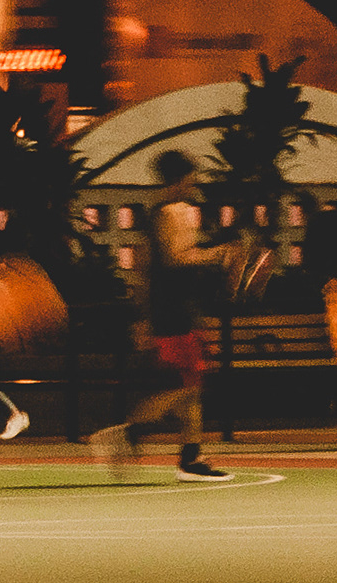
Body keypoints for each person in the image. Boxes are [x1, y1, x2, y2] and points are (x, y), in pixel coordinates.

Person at [97, 151, 234, 479]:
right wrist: (220, 254)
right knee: (187, 386)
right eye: (191, 176)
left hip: (172, 309)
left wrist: (142, 317)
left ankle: (190, 457)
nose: (195, 182)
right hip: (175, 311)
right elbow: (177, 257)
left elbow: (144, 268)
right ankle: (130, 432)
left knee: (191, 384)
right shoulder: (176, 212)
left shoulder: (157, 212)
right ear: (180, 179)